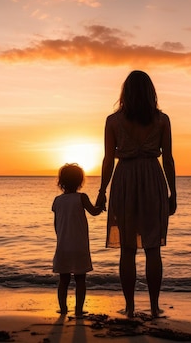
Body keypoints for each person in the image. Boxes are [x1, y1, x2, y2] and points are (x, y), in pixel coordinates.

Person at [96, 70, 177, 318]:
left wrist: (102, 191)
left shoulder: (113, 121)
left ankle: (130, 307)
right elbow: (169, 160)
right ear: (150, 92)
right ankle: (154, 307)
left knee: (127, 249)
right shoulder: (162, 120)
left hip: (125, 180)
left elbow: (108, 160)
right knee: (153, 249)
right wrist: (173, 192)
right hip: (153, 179)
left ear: (125, 93)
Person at [52, 163, 103, 316]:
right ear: (80, 181)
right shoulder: (82, 197)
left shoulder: (57, 201)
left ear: (61, 182)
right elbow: (94, 212)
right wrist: (102, 203)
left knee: (63, 281)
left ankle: (63, 309)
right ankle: (79, 310)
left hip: (63, 246)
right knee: (80, 280)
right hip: (79, 246)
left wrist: (61, 238)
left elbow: (56, 225)